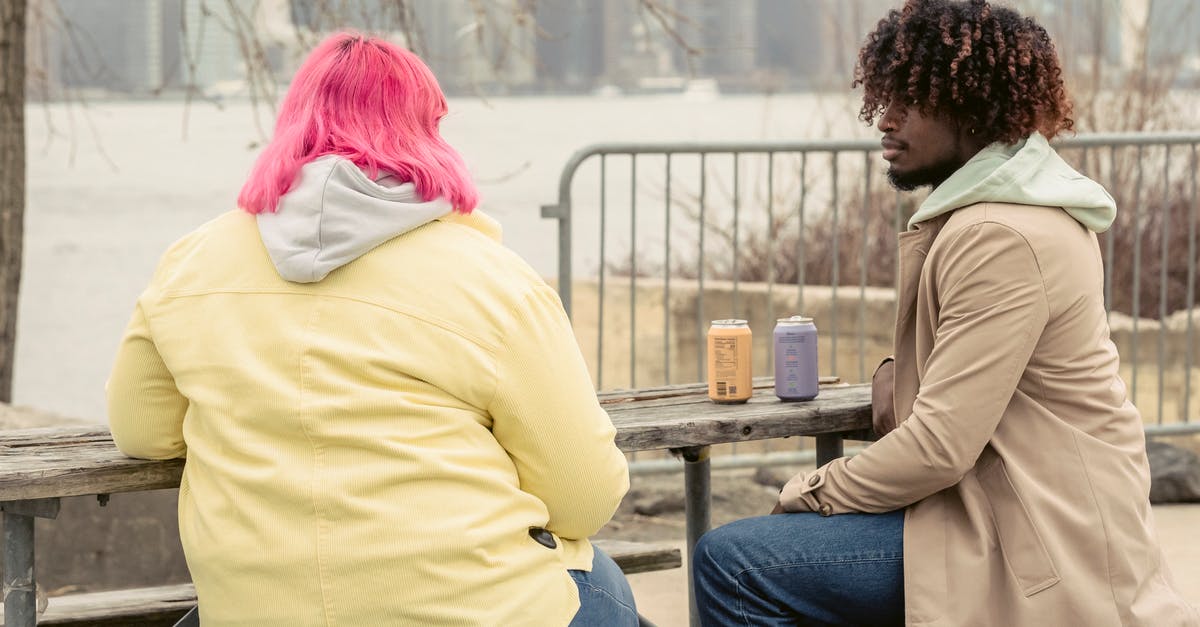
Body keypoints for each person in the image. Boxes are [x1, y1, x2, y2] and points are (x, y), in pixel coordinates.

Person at [692, 1, 1200, 625]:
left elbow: (938, 448)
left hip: (1033, 536)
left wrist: (808, 490)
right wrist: (896, 373)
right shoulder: (1014, 211)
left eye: (913, 99)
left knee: (735, 562)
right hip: (1007, 510)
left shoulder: (999, 235)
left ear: (974, 108)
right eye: (885, 95)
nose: (886, 118)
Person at [107, 32, 635, 626]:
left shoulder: (191, 263)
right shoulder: (493, 281)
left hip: (256, 610)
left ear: (293, 123)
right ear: (426, 131)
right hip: (472, 609)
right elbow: (586, 497)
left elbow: (141, 432)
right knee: (604, 585)